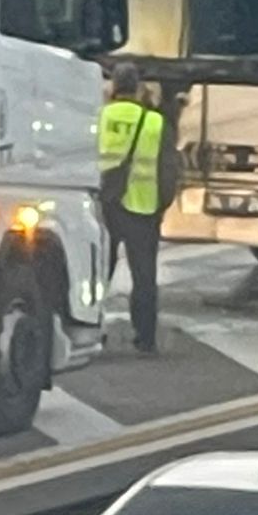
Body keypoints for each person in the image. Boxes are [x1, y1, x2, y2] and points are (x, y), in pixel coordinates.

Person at [97, 60, 171, 356]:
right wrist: (162, 204)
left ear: (114, 87)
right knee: (144, 277)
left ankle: (92, 328)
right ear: (138, 88)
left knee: (98, 272)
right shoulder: (154, 122)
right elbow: (168, 171)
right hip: (143, 208)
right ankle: (145, 337)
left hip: (105, 205)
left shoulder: (99, 117)